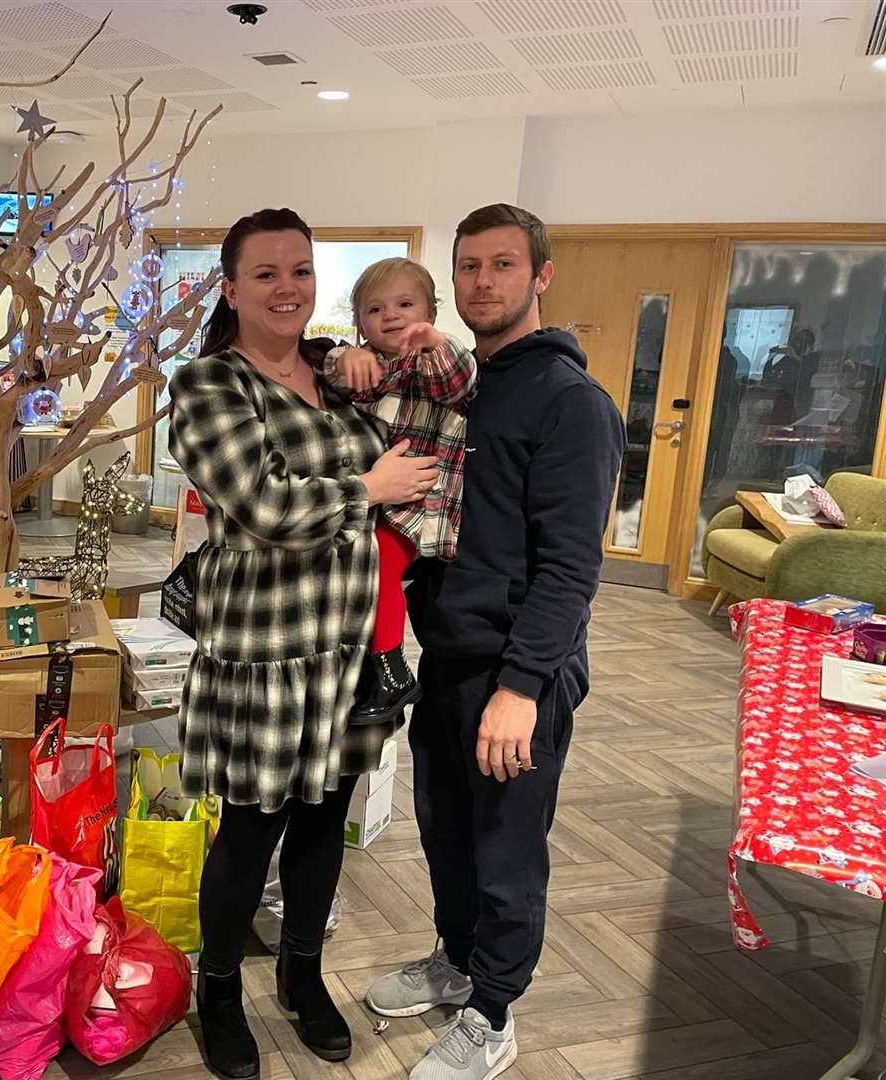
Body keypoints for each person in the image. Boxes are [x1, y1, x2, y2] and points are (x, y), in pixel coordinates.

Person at [167, 208, 440, 1080]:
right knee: (251, 830)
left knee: (327, 823)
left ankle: (301, 974)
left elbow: (436, 391)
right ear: (232, 288)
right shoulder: (209, 385)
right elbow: (264, 505)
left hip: (352, 647)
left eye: (301, 271)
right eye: (267, 275)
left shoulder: (337, 370)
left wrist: (392, 352)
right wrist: (371, 484)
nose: (288, 289)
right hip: (265, 653)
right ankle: (216, 990)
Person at [364, 204, 625, 1080]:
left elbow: (569, 570)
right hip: (449, 653)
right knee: (445, 831)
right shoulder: (466, 385)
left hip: (519, 674)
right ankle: (456, 959)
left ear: (540, 275)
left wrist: (522, 687)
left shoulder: (570, 403)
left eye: (504, 265)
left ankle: (495, 1012)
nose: (484, 282)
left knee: (506, 851)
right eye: (470, 266)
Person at [322, 257, 477, 718]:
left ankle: (392, 672)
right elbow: (335, 377)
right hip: (374, 499)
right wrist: (344, 356)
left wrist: (434, 343)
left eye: (405, 304)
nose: (390, 315)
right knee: (355, 568)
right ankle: (371, 662)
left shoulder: (434, 363)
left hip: (419, 503)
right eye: (375, 309)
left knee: (377, 566)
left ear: (430, 310)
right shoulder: (372, 365)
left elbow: (457, 379)